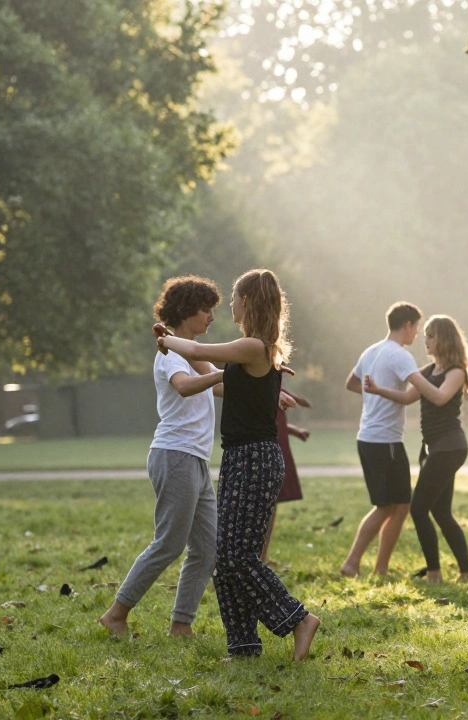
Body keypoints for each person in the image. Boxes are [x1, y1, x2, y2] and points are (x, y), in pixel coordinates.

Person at [158, 269, 321, 660]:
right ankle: (243, 645)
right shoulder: (255, 351)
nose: (229, 304)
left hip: (255, 459)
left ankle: (298, 619)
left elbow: (196, 353)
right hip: (239, 457)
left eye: (233, 297)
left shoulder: (253, 345)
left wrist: (165, 337)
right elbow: (213, 377)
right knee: (224, 557)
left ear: (246, 302)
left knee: (236, 557)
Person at [99, 276, 223, 638]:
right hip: (174, 455)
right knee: (169, 543)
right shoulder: (170, 352)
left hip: (194, 459)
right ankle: (116, 614)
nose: (211, 318)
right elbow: (185, 387)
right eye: (206, 310)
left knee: (207, 548)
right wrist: (224, 372)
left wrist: (262, 387)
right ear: (186, 311)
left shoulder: (190, 350)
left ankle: (180, 625)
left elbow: (217, 384)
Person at [364, 315, 468, 584]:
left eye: (431, 335)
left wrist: (415, 376)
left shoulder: (456, 372)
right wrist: (380, 390)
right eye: (425, 334)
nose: (425, 340)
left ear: (444, 339)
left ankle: (435, 573)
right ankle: (467, 572)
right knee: (441, 512)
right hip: (436, 449)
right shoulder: (427, 372)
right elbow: (407, 397)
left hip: (450, 448)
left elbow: (438, 398)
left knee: (418, 508)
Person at [341, 302, 422, 577]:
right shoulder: (400, 355)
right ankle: (355, 563)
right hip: (385, 440)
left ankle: (379, 567)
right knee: (389, 506)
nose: (417, 334)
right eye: (417, 328)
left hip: (369, 437)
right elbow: (416, 391)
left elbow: (352, 383)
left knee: (399, 505)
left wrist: (374, 394)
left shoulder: (371, 351)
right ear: (407, 325)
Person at [260, 387, 312, 565]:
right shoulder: (261, 378)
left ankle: (263, 555)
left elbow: (278, 420)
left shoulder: (274, 382)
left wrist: (295, 430)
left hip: (278, 446)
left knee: (272, 505)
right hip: (266, 447)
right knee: (265, 506)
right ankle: (257, 557)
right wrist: (295, 397)